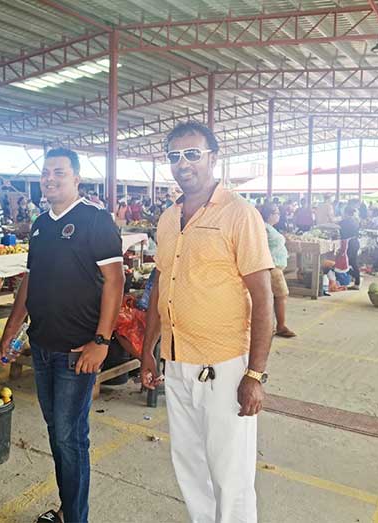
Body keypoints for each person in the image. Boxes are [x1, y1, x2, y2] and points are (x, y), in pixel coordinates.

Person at [140, 121, 274, 523]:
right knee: (190, 464)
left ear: (213, 158)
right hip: (178, 362)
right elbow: (162, 288)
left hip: (225, 365)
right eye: (174, 156)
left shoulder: (239, 214)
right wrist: (149, 352)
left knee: (231, 473)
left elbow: (263, 298)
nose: (183, 164)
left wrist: (256, 374)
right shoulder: (167, 219)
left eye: (192, 154)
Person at [0, 147, 123, 523]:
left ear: (76, 178)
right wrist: (12, 328)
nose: (50, 179)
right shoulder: (40, 225)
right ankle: (69, 510)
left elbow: (114, 283)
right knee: (58, 434)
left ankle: (76, 517)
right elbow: (31, 281)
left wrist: (101, 342)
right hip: (42, 346)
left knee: (70, 439)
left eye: (59, 172)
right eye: (45, 173)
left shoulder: (95, 221)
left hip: (76, 350)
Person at [260, 204, 295, 338]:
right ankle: (280, 326)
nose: (278, 215)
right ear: (269, 214)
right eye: (277, 213)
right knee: (281, 295)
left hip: (275, 266)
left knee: (275, 297)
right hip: (271, 266)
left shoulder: (270, 228)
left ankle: (275, 325)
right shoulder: (263, 227)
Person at [339, 207, 361, 290]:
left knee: (346, 263)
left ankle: (356, 278)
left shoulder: (344, 222)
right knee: (352, 262)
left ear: (346, 213)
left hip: (350, 244)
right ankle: (357, 281)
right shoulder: (355, 221)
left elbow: (340, 231)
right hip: (355, 242)